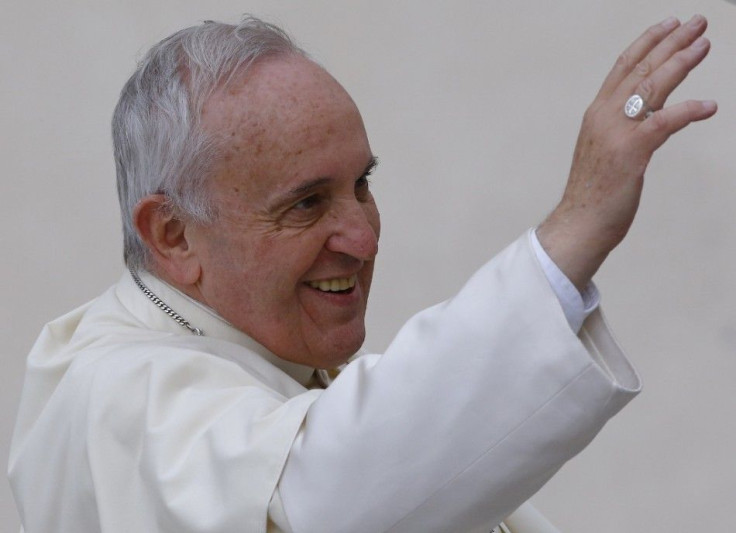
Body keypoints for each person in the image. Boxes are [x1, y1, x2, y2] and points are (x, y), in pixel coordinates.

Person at [8, 13, 716, 533]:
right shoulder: (114, 398)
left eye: (362, 185)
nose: (362, 236)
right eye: (307, 203)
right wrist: (577, 226)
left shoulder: (288, 368)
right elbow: (330, 502)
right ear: (173, 234)